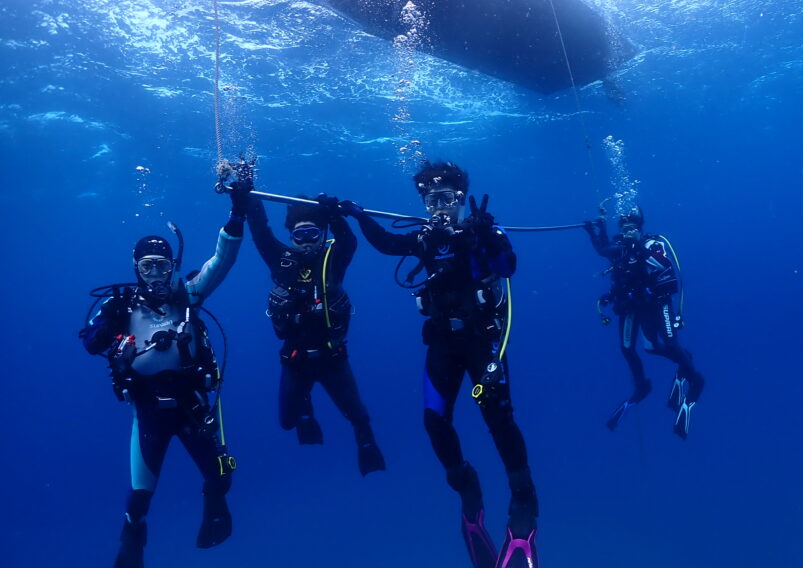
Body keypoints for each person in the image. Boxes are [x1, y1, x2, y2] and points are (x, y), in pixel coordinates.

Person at [340, 161, 539, 568]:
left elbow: (508, 267)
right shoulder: (425, 239)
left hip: (482, 341)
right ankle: (464, 482)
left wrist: (485, 235)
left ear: (461, 198)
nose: (439, 207)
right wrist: (357, 216)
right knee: (434, 421)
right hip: (443, 343)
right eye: (431, 200)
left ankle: (523, 496)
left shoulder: (484, 231)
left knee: (498, 418)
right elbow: (386, 244)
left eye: (446, 198)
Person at [80, 185, 248, 568]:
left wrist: (237, 215)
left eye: (162, 265)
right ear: (136, 268)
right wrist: (106, 330)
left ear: (173, 266)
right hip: (149, 411)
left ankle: (214, 511)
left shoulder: (187, 296)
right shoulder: (120, 304)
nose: (155, 273)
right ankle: (132, 539)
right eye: (147, 266)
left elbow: (221, 261)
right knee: (140, 496)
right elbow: (90, 342)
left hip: (190, 406)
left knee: (221, 476)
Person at [244, 188, 385, 475]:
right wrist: (249, 196)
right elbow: (260, 232)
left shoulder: (333, 259)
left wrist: (334, 216)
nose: (307, 242)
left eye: (312, 234)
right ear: (290, 237)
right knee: (288, 422)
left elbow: (348, 241)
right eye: (300, 235)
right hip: (295, 360)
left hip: (333, 358)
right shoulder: (280, 259)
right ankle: (306, 407)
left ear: (322, 234)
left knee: (359, 417)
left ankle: (367, 445)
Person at [584, 210, 704, 438]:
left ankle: (695, 379)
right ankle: (642, 385)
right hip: (634, 306)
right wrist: (594, 231)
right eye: (625, 228)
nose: (628, 231)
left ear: (640, 229)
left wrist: (638, 246)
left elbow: (663, 265)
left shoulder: (653, 244)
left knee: (670, 343)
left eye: (632, 228)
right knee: (631, 348)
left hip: (658, 302)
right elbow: (603, 250)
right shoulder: (620, 248)